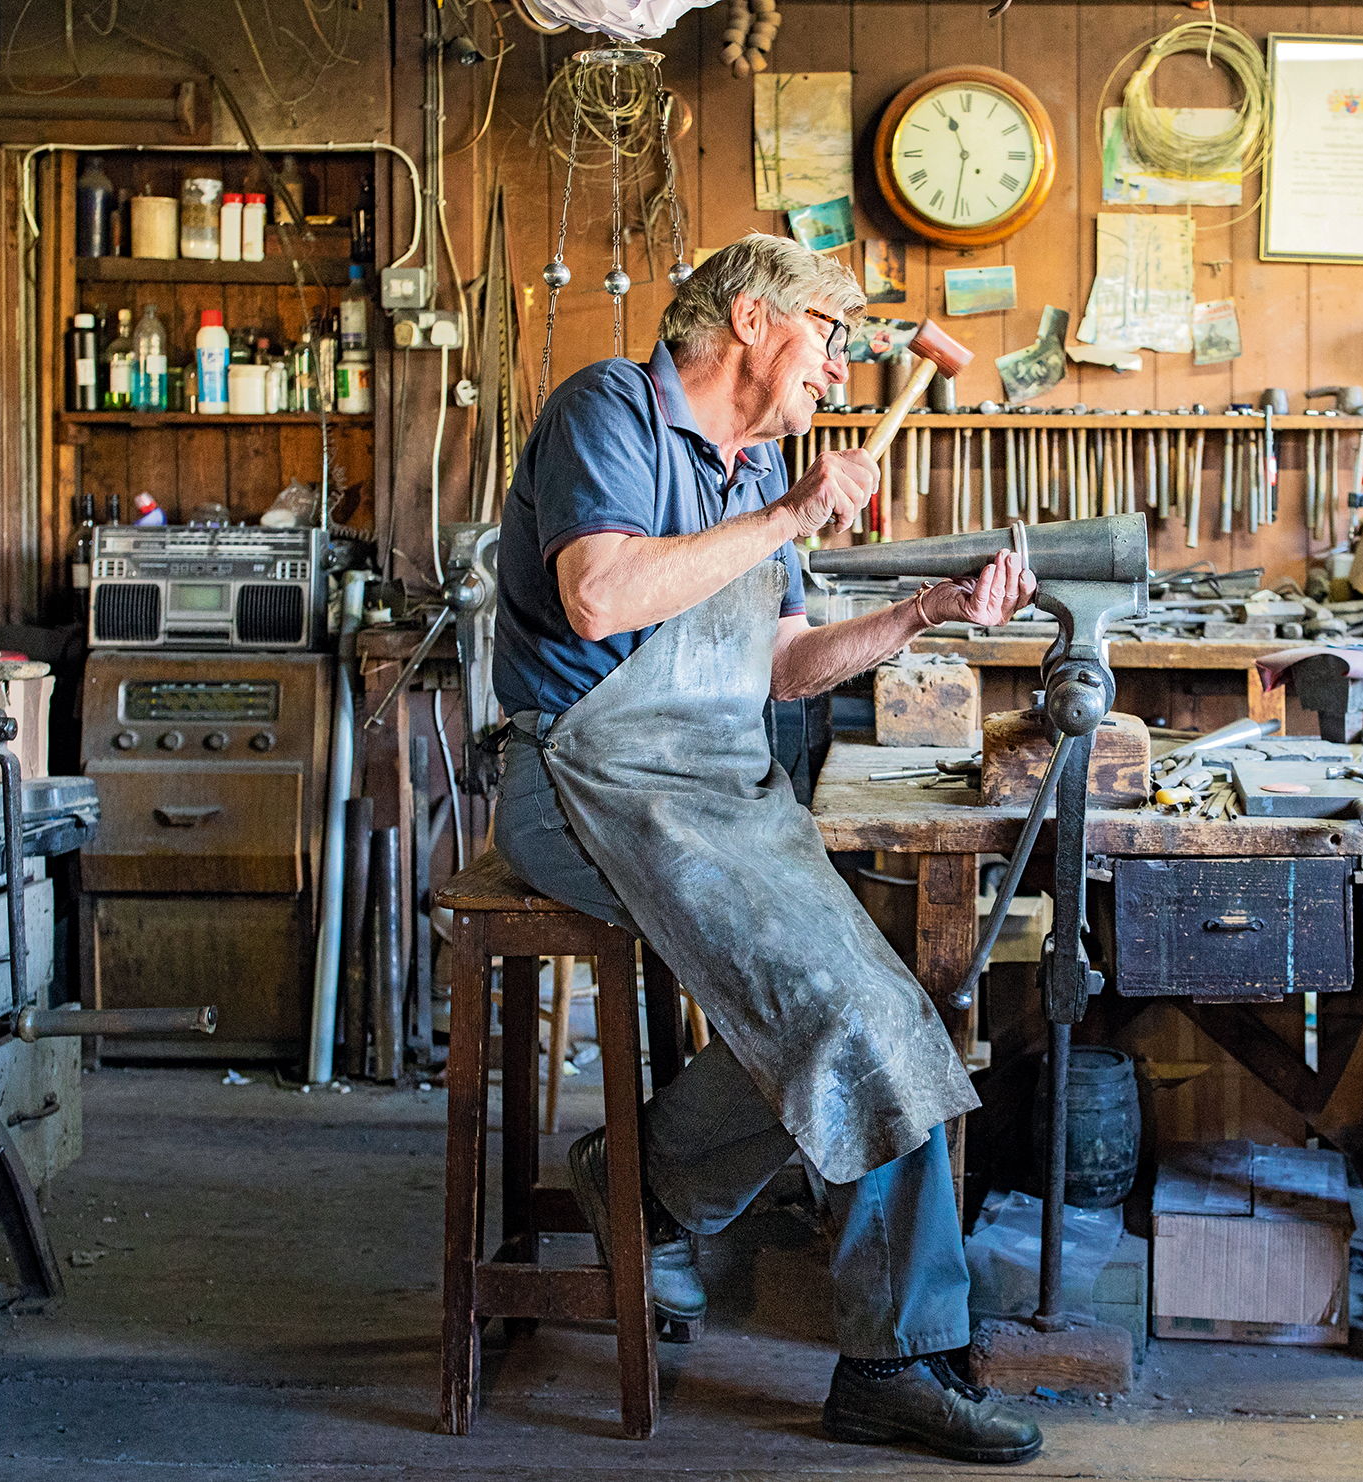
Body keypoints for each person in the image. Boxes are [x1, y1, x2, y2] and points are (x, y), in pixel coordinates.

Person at [491, 233, 1040, 1465]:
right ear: (750, 318)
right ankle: (888, 1362)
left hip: (706, 778)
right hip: (576, 773)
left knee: (873, 998)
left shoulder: (762, 470)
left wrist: (923, 613)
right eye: (831, 336)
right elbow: (598, 596)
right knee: (833, 1004)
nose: (841, 369)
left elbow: (785, 668)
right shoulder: (611, 410)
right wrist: (790, 510)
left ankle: (647, 1190)